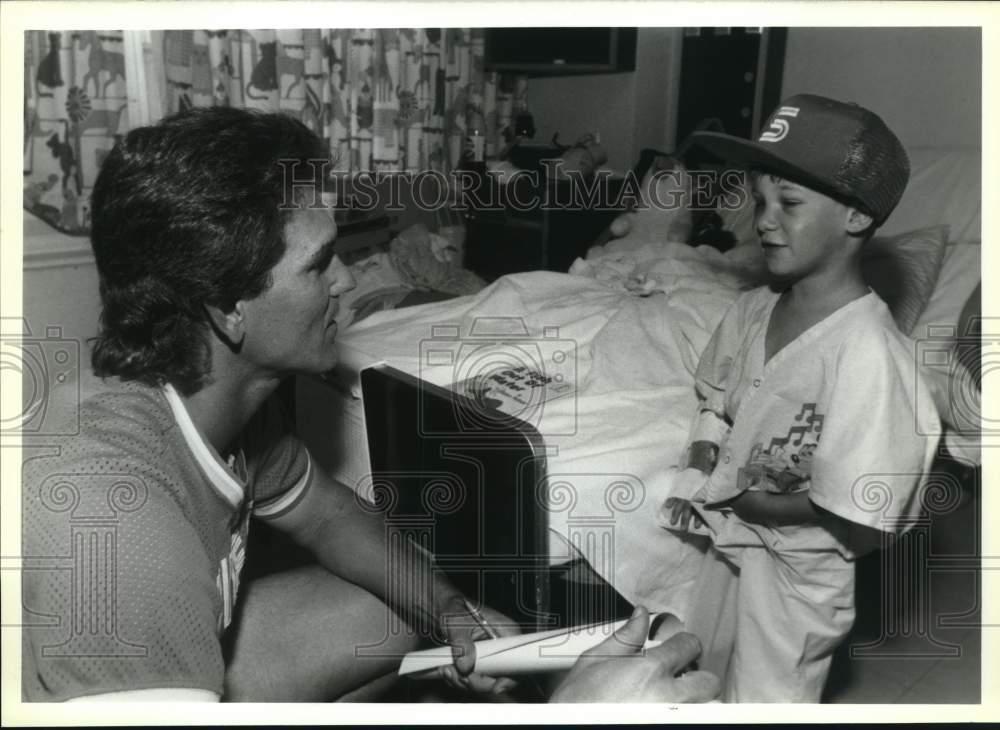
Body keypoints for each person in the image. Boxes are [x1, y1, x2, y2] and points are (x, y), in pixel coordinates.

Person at [21, 106, 719, 705]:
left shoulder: (219, 391)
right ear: (228, 309)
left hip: (186, 621)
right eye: (320, 263)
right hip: (103, 673)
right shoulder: (115, 525)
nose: (349, 277)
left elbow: (324, 512)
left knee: (404, 598)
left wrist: (452, 612)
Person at [657, 94, 940, 702]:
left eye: (789, 204)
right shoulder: (753, 308)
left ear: (857, 217)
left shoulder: (869, 357)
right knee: (701, 673)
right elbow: (717, 405)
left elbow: (859, 509)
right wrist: (701, 467)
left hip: (797, 572)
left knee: (769, 694)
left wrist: (755, 505)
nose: (763, 221)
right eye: (760, 202)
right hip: (726, 539)